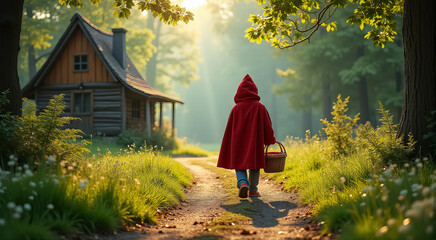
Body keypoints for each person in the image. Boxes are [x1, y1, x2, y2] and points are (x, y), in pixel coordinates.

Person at [217, 74, 276, 198]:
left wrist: (228, 143)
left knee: (239, 165)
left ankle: (242, 182)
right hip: (255, 143)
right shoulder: (260, 107)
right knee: (254, 166)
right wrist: (270, 139)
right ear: (255, 91)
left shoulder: (236, 109)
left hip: (238, 142)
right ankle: (253, 190)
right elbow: (267, 126)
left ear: (239, 92)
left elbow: (229, 129)